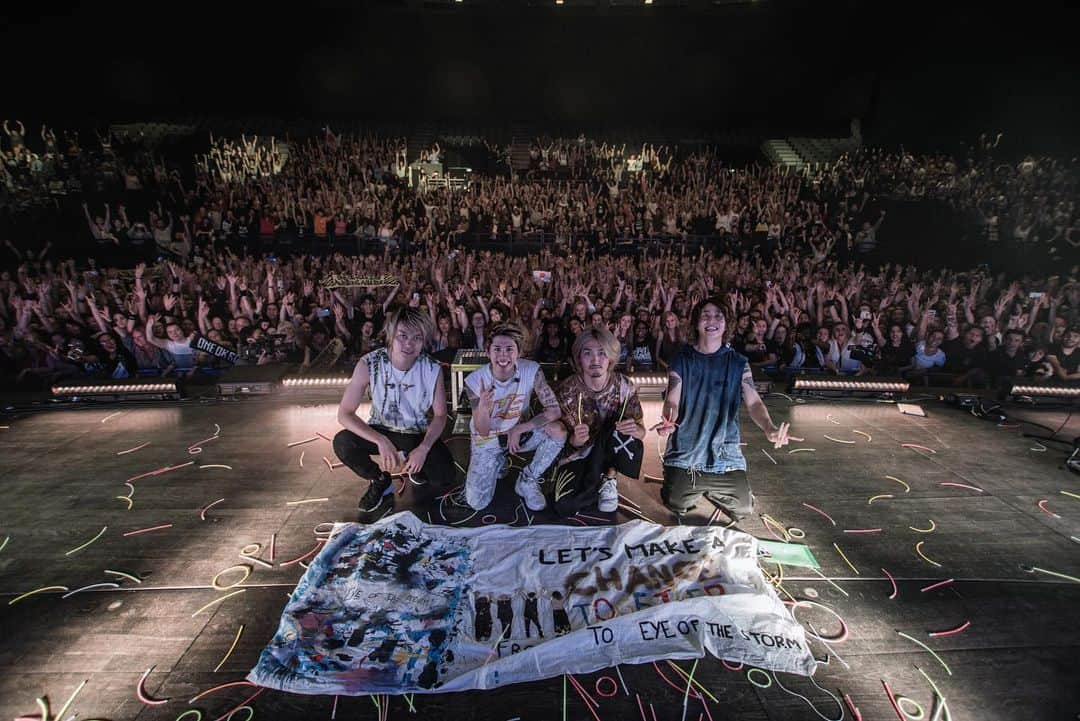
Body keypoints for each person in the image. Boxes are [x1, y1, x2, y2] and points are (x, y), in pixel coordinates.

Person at [657, 298, 799, 521]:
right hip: (686, 453)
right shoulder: (681, 359)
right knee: (676, 503)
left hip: (724, 454)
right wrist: (668, 420)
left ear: (726, 324)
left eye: (718, 316)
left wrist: (769, 428)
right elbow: (672, 399)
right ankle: (690, 485)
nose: (711, 320)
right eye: (705, 314)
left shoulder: (738, 362)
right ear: (696, 322)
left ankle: (714, 486)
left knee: (743, 508)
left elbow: (754, 403)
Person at [334, 307, 455, 516]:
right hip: (381, 429)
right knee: (343, 442)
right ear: (391, 335)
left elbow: (441, 415)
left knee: (444, 476)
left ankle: (417, 466)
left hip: (414, 433)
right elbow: (344, 413)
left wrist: (424, 448)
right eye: (403, 336)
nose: (409, 343)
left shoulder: (431, 368)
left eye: (417, 338)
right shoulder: (369, 363)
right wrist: (380, 440)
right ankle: (379, 480)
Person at [463, 323, 565, 512]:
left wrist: (519, 428)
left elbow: (554, 410)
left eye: (509, 349)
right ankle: (498, 461)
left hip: (518, 433)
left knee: (558, 431)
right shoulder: (475, 380)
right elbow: (482, 430)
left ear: (518, 352)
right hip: (488, 438)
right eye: (497, 349)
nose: (503, 355)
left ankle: (528, 479)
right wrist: (484, 408)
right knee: (477, 502)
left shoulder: (532, 370)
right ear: (488, 351)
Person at [552, 327, 645, 516]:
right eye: (588, 353)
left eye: (602, 353)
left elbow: (641, 433)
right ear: (579, 358)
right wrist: (574, 440)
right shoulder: (566, 390)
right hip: (580, 454)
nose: (595, 361)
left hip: (610, 451)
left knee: (619, 424)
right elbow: (558, 442)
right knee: (564, 506)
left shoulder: (624, 386)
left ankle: (609, 477)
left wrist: (635, 429)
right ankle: (594, 484)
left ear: (611, 357)